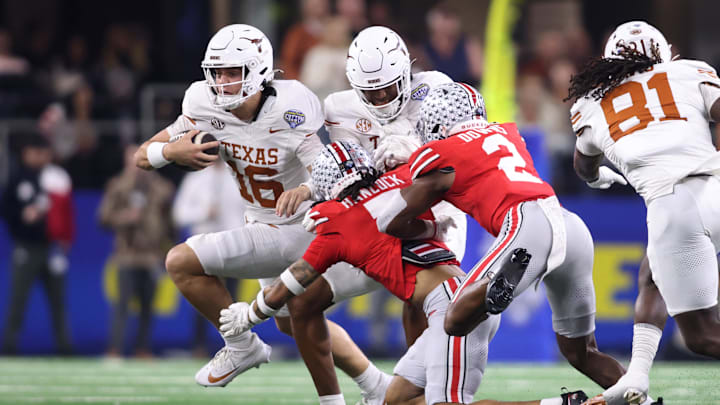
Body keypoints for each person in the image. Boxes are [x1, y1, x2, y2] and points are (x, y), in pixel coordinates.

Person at [218, 140, 591, 405]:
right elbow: (426, 188)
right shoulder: (400, 182)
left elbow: (294, 280)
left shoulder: (336, 224)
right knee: (396, 400)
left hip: (448, 309)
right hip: (462, 294)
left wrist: (250, 314)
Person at [133, 24, 388, 404]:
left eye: (232, 72)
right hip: (260, 222)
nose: (222, 81)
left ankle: (240, 344)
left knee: (181, 261)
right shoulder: (201, 103)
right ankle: (377, 385)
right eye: (216, 72)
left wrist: (304, 188)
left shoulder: (292, 105)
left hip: (301, 226)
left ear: (258, 70)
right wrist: (170, 153)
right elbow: (142, 156)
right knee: (293, 321)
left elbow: (328, 170)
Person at [375, 82, 632, 397]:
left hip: (526, 224)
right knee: (583, 352)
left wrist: (429, 224)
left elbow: (388, 220)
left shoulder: (441, 152)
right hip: (570, 226)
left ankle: (493, 290)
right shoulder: (508, 133)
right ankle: (641, 398)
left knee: (455, 320)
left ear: (438, 125)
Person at [567, 21, 720, 405]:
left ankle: (635, 376)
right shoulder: (689, 71)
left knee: (702, 337)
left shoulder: (590, 102)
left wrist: (598, 177)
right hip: (715, 184)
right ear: (663, 53)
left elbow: (583, 166)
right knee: (651, 274)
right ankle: (635, 375)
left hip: (672, 209)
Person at [99, 144, 174, 358]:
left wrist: (167, 249)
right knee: (122, 305)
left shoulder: (162, 188)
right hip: (127, 254)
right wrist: (125, 217)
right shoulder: (118, 186)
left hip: (151, 255)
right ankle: (115, 348)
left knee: (148, 306)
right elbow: (103, 217)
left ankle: (142, 348)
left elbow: (170, 223)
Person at [1, 134, 72, 355]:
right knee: (19, 297)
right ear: (26, 154)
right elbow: (5, 208)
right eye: (35, 152)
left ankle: (64, 346)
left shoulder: (55, 178)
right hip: (27, 246)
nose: (39, 157)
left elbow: (67, 213)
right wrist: (22, 215)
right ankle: (10, 345)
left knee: (58, 300)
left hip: (52, 248)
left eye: (43, 153)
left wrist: (65, 239)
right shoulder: (18, 178)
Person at [172, 160, 245, 357]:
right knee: (202, 299)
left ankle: (237, 347)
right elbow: (179, 213)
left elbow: (248, 211)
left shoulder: (238, 177)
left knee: (232, 300)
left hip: (233, 246)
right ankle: (199, 346)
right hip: (204, 246)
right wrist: (203, 213)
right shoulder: (195, 178)